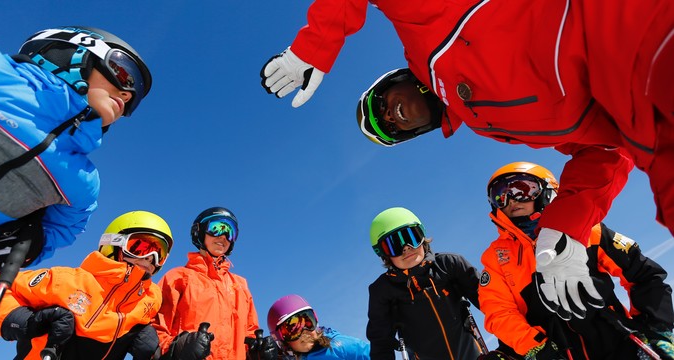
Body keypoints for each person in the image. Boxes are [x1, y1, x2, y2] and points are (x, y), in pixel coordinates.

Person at [260, 0, 674, 322]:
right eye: (388, 130)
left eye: (381, 106)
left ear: (396, 80)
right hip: (646, 124)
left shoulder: (422, 34)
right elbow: (600, 149)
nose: (388, 117)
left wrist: (313, 47)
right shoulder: (488, 124)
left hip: (628, 25)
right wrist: (564, 227)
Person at [0, 16, 153, 308]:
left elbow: (65, 228)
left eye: (135, 98)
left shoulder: (81, 181)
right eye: (124, 72)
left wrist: (36, 242)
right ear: (74, 51)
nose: (128, 94)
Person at [478, 162, 674, 359]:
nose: (511, 200)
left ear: (547, 190)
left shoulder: (586, 230)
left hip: (617, 342)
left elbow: (643, 274)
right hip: (557, 353)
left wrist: (657, 329)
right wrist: (536, 347)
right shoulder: (496, 257)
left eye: (521, 190)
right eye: (500, 195)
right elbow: (499, 312)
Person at [0, 210, 180, 359]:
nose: (150, 257)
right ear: (115, 243)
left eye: (159, 252)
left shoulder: (150, 301)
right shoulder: (66, 281)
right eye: (140, 247)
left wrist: (169, 351)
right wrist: (27, 322)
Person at [366, 207, 484, 360]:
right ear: (383, 253)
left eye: (411, 237)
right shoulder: (383, 291)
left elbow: (494, 303)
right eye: (395, 244)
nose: (406, 248)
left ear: (422, 237)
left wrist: (509, 348)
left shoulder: (449, 264)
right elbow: (380, 343)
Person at [153, 207, 264, 360]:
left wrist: (257, 351)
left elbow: (250, 333)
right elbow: (154, 329)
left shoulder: (240, 286)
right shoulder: (177, 278)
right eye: (216, 228)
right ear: (199, 231)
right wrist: (177, 347)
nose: (224, 236)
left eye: (230, 232)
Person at [266, 294, 370, 359]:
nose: (304, 332)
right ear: (280, 339)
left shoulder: (339, 346)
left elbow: (377, 353)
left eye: (308, 322)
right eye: (293, 330)